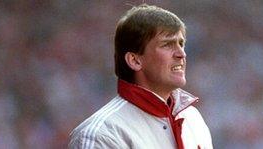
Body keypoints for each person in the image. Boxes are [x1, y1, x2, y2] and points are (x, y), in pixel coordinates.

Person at [69, 4, 213, 149]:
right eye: (167, 44)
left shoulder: (192, 119)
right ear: (135, 60)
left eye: (181, 44)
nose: (181, 54)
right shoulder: (102, 135)